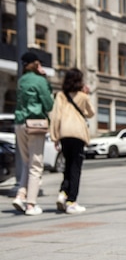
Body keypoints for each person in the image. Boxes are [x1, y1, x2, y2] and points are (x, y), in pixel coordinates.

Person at [11, 52, 54, 216]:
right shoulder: (40, 80)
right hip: (35, 124)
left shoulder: (21, 80)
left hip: (19, 124)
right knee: (36, 165)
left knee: (28, 164)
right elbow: (49, 104)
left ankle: (20, 195)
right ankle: (31, 204)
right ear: (36, 64)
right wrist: (45, 78)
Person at [49, 68, 95, 214]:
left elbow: (55, 116)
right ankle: (71, 202)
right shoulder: (83, 96)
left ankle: (63, 193)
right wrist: (86, 95)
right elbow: (91, 113)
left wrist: (54, 136)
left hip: (64, 133)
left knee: (68, 165)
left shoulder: (60, 95)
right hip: (78, 134)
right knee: (75, 168)